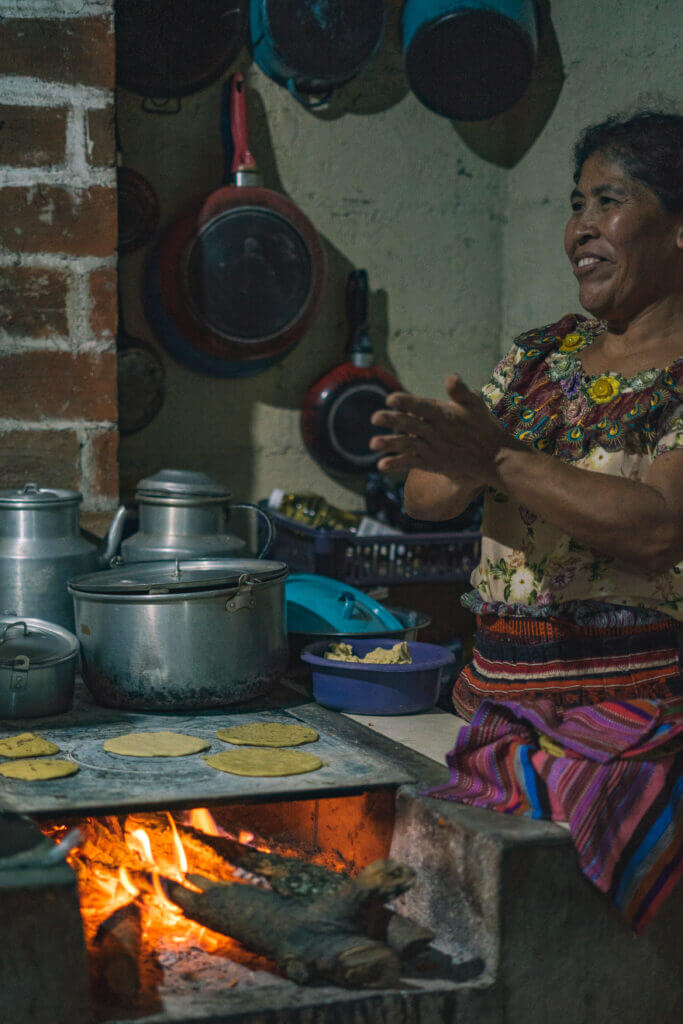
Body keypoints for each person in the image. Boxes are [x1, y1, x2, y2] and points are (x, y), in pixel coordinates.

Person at [370, 111, 683, 720]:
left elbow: (658, 529)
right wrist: (463, 459)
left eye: (607, 201)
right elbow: (425, 500)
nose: (580, 229)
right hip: (495, 704)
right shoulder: (540, 358)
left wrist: (501, 459)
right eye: (575, 205)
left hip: (632, 718)